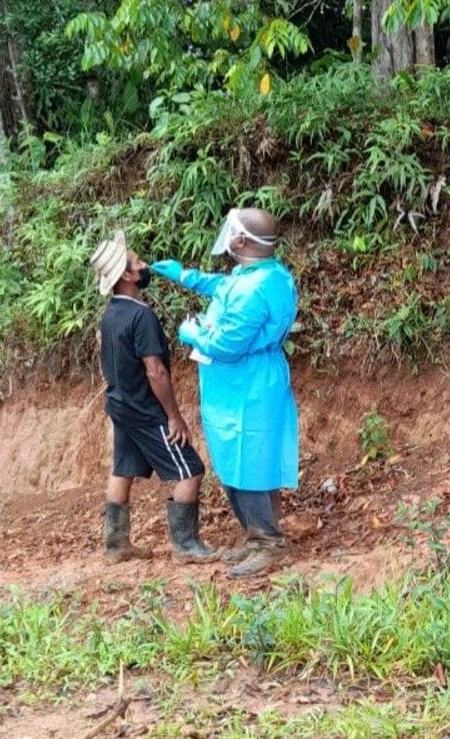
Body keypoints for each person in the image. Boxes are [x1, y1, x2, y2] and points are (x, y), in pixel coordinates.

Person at [151, 208, 299, 579]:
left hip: (244, 385)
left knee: (246, 463)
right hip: (243, 383)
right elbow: (223, 286)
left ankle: (267, 543)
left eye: (232, 233)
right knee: (250, 461)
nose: (227, 239)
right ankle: (256, 535)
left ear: (242, 241)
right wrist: (185, 276)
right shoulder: (266, 274)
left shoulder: (253, 288)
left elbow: (227, 344)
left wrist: (193, 332)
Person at [89, 231, 218, 565]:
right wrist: (174, 417)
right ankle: (185, 545)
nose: (145, 265)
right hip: (144, 409)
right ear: (128, 276)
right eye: (138, 262)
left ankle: (116, 546)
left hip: (120, 404)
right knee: (190, 469)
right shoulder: (140, 316)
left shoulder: (111, 313)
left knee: (123, 470)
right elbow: (155, 371)